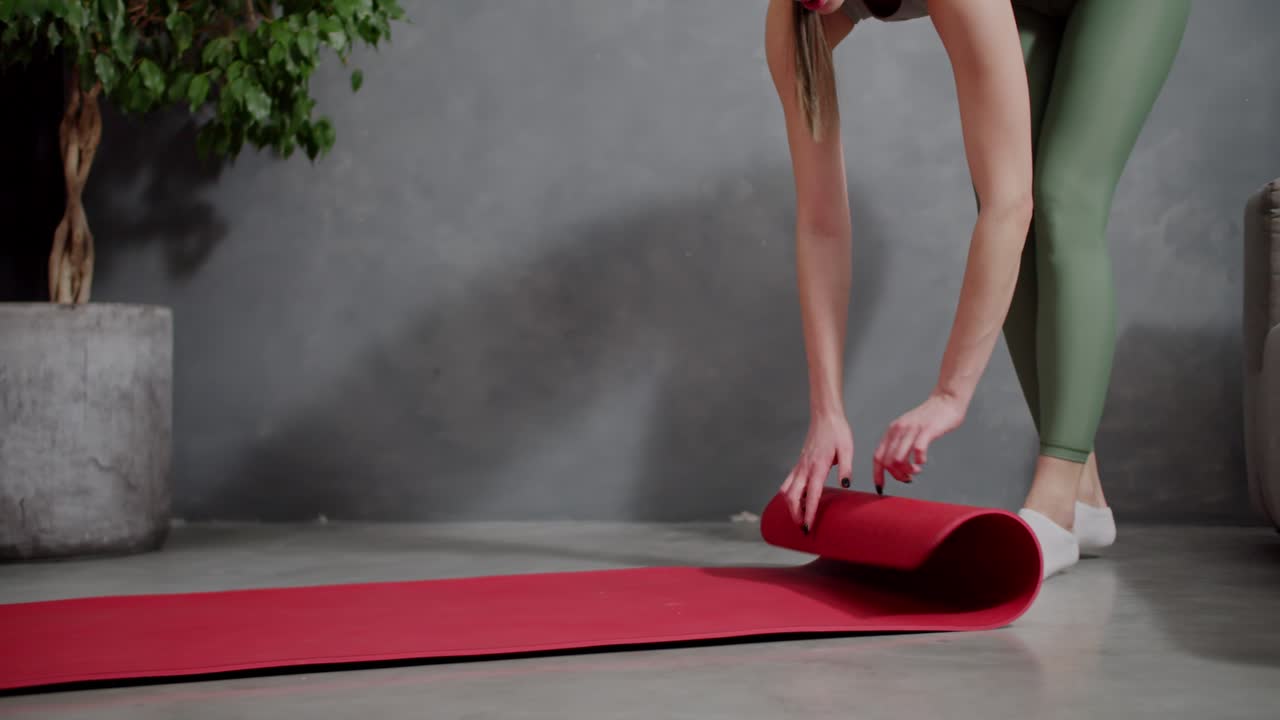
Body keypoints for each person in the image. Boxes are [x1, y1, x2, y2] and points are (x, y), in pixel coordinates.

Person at [770, 0, 1190, 578]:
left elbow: (1010, 207)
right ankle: (1087, 497)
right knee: (1003, 209)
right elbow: (821, 223)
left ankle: (1057, 498)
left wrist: (949, 395)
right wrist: (827, 411)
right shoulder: (794, 20)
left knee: (1060, 198)